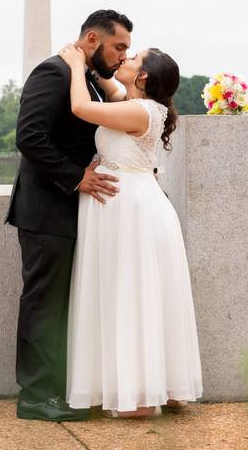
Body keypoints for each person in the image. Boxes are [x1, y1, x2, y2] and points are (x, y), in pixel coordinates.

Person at [58, 43, 203, 419]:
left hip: (131, 209)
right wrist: (100, 67)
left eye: (133, 58)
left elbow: (81, 108)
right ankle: (161, 385)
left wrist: (75, 64)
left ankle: (138, 394)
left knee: (130, 292)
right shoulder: (139, 103)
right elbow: (111, 88)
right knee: (139, 294)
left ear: (143, 77)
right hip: (129, 203)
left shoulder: (138, 110)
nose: (126, 58)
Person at [5, 9, 133, 422]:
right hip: (45, 210)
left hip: (67, 212)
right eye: (119, 46)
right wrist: (76, 178)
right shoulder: (53, 72)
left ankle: (55, 389)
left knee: (60, 305)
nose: (122, 56)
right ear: (93, 39)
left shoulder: (88, 80)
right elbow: (29, 136)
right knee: (44, 303)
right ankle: (35, 397)